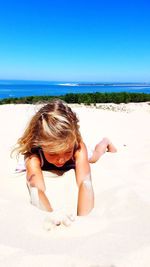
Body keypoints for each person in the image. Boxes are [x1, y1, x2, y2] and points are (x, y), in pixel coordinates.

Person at [14, 99, 117, 225]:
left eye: (66, 151)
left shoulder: (77, 148)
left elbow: (84, 182)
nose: (61, 159)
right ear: (40, 144)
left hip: (77, 158)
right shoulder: (33, 157)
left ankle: (105, 142)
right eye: (53, 153)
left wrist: (84, 221)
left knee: (94, 157)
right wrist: (51, 218)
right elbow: (36, 188)